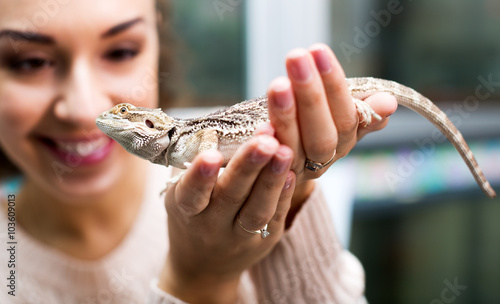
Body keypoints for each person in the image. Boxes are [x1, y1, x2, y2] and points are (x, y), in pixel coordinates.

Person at [0, 0, 397, 303]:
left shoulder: (191, 158)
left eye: (120, 51)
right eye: (30, 61)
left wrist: (293, 196)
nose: (85, 110)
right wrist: (199, 280)